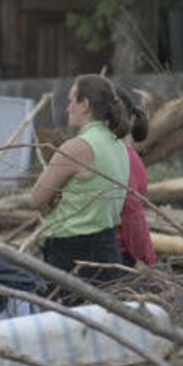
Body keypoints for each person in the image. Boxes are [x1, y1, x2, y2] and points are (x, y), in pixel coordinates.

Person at [29, 74, 130, 287]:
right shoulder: (119, 146)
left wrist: (52, 204)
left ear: (84, 104)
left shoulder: (76, 147)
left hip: (73, 253)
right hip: (108, 248)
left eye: (71, 101)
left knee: (67, 319)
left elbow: (36, 199)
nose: (67, 108)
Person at [115, 88, 157, 268]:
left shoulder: (123, 159)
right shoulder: (130, 156)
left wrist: (145, 257)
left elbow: (132, 214)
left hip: (118, 254)